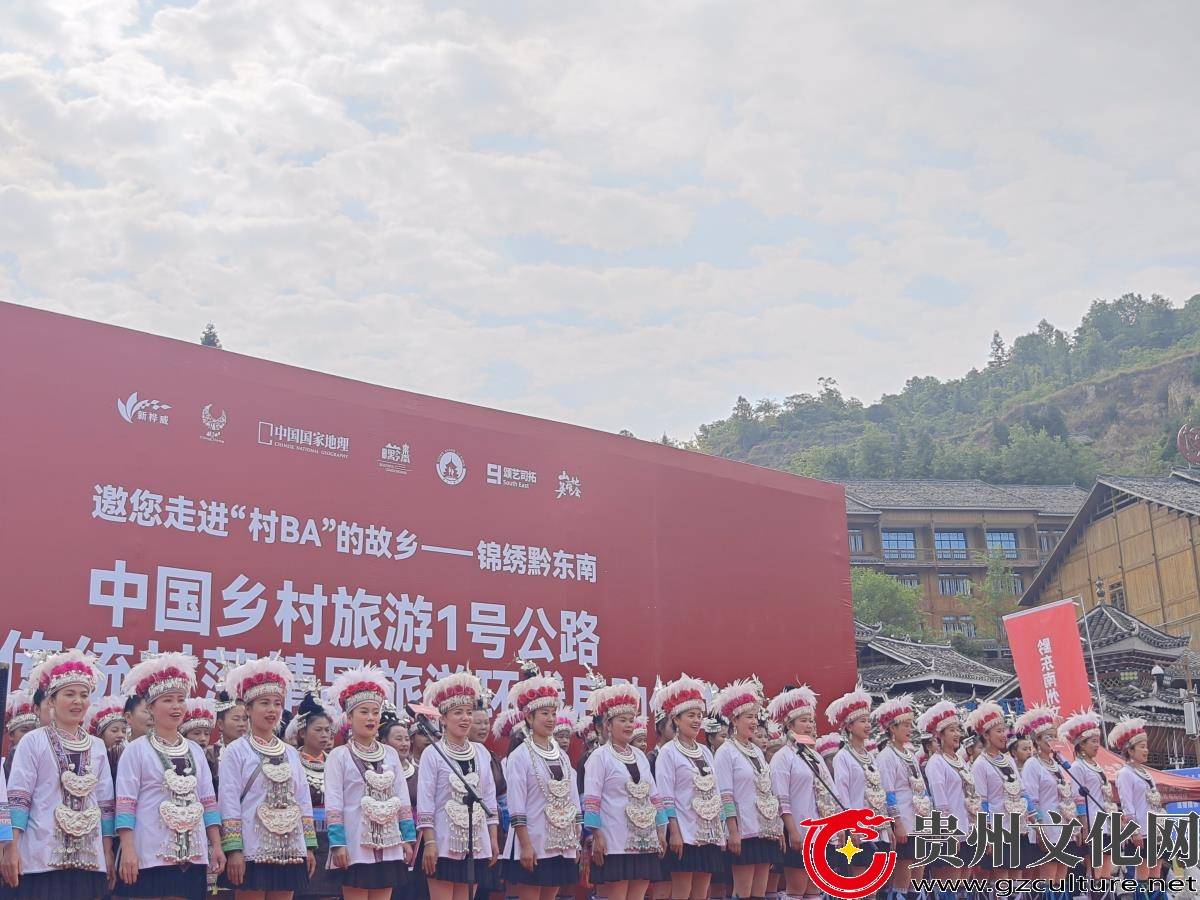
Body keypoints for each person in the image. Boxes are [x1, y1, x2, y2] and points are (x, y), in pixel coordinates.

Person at [4, 649, 115, 898]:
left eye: (84, 695)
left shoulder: (97, 746)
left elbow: (105, 803)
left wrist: (107, 850)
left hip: (90, 858)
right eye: (69, 694)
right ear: (52, 701)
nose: (78, 701)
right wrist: (11, 847)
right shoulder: (33, 741)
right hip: (40, 855)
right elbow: (18, 798)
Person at [113, 651, 224, 900]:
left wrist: (216, 845)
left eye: (181, 699)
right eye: (168, 700)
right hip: (151, 850)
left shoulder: (196, 750)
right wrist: (128, 849)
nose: (176, 706)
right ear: (151, 707)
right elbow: (126, 803)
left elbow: (207, 800)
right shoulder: (136, 750)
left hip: (193, 851)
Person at [219, 657, 317, 898]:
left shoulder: (291, 753)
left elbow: (302, 799)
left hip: (290, 847)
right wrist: (234, 849)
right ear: (248, 709)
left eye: (277, 703)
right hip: (252, 847)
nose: (272, 710)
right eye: (264, 703)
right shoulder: (236, 751)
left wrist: (308, 846)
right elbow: (229, 801)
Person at [325, 666, 417, 899]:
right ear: (349, 717)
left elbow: (402, 798)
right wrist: (338, 843)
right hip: (354, 844)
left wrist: (407, 838)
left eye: (375, 712)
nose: (371, 718)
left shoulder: (390, 754)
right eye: (364, 712)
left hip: (390, 843)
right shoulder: (339, 755)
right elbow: (334, 803)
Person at [416, 672, 500, 900]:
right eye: (458, 713)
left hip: (476, 842)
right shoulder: (433, 753)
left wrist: (492, 839)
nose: (465, 718)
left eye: (469, 712)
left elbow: (489, 797)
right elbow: (426, 800)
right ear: (443, 718)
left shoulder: (481, 752)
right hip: (443, 842)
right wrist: (430, 842)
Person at [501, 671, 582, 900]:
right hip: (534, 841)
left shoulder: (562, 756)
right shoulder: (520, 756)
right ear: (529, 717)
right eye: (544, 714)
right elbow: (516, 804)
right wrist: (525, 845)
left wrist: (575, 841)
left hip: (562, 842)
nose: (550, 719)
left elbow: (573, 798)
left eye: (553, 713)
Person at [584, 681, 667, 900]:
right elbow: (592, 800)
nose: (629, 725)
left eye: (631, 720)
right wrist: (596, 835)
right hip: (614, 840)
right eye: (622, 720)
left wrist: (661, 830)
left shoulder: (640, 756)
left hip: (645, 839)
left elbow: (654, 796)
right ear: (608, 725)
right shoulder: (599, 757)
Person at [652, 676, 726, 900]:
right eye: (690, 715)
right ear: (676, 718)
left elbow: (715, 792)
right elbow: (666, 796)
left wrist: (720, 831)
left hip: (708, 833)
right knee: (682, 892)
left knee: (702, 892)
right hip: (684, 834)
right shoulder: (668, 753)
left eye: (699, 715)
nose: (696, 720)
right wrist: (674, 832)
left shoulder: (705, 752)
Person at [714, 680, 782, 900]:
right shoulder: (725, 752)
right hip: (743, 832)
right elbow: (725, 795)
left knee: (759, 894)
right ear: (734, 720)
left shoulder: (757, 751)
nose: (754, 722)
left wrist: (777, 827)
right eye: (748, 717)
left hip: (764, 829)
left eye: (755, 717)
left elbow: (768, 791)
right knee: (742, 892)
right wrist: (733, 831)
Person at [769, 686, 838, 900]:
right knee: (796, 890)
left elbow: (831, 794)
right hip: (798, 830)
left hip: (819, 831)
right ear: (789, 725)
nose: (809, 725)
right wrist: (792, 830)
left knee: (814, 891)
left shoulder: (814, 756)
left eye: (811, 721)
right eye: (803, 721)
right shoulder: (783, 757)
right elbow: (781, 798)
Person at [827, 690, 888, 883]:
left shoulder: (870, 757)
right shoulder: (842, 758)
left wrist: (886, 826)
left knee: (874, 885)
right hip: (857, 828)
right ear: (849, 726)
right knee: (860, 882)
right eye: (862, 721)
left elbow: (878, 791)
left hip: (876, 827)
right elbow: (842, 794)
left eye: (868, 720)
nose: (868, 725)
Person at [873, 697, 929, 900]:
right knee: (903, 877)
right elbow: (888, 792)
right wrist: (897, 823)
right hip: (903, 822)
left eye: (910, 725)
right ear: (892, 728)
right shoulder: (886, 756)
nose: (909, 729)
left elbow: (920, 789)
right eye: (905, 725)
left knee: (917, 878)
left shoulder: (910, 755)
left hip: (917, 821)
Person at [967, 702, 1027, 890]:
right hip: (997, 829)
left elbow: (1022, 791)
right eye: (999, 731)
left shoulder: (1008, 760)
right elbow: (981, 802)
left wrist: (1033, 820)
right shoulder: (980, 765)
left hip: (1016, 826)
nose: (1004, 735)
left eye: (1004, 731)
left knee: (1018, 879)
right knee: (1002, 880)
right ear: (986, 735)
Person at [920, 701, 980, 888]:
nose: (957, 734)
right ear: (940, 735)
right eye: (951, 730)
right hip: (950, 831)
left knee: (964, 886)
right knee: (949, 886)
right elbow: (940, 802)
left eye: (958, 730)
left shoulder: (960, 761)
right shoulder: (936, 763)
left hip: (967, 828)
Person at [1017, 707, 1074, 895]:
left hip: (1062, 826)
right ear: (1037, 741)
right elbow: (1030, 800)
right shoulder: (1032, 765)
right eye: (1048, 737)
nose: (1052, 741)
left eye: (1054, 737)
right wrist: (1040, 829)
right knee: (1048, 879)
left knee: (1061, 880)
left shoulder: (1057, 764)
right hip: (1046, 826)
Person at [1058, 712, 1115, 888]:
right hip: (1091, 822)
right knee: (1095, 868)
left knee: (1107, 869)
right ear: (1081, 744)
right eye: (1093, 741)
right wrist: (1084, 825)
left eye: (1098, 741)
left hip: (1105, 822)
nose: (1097, 745)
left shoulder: (1097, 766)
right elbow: (1078, 798)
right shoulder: (1077, 766)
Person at [1111, 718, 1165, 898]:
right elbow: (1127, 804)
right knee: (1143, 874)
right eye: (1142, 746)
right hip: (1141, 831)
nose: (1146, 750)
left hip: (1156, 829)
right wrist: (1134, 831)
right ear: (1130, 750)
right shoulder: (1124, 774)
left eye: (1146, 746)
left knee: (1156, 873)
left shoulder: (1147, 773)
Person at [208, 691, 249, 790]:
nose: (242, 724)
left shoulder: (254, 751)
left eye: (245, 719)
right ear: (220, 724)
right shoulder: (211, 755)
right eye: (236, 719)